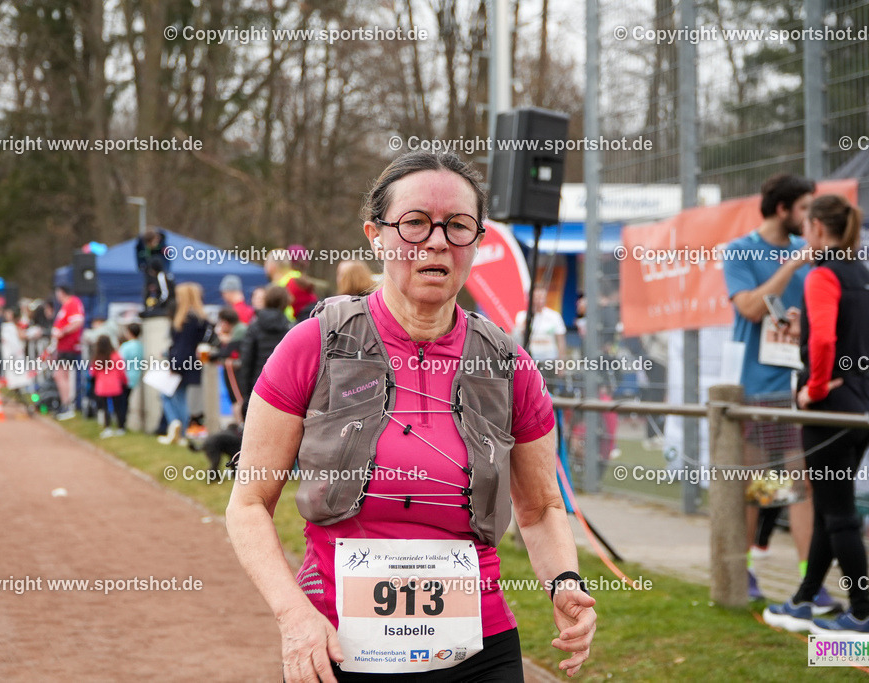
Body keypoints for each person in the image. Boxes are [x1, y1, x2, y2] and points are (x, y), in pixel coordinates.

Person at [226, 151, 596, 682]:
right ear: (376, 236)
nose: (437, 241)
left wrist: (564, 582)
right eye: (415, 223)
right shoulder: (313, 346)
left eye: (458, 226)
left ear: (477, 240)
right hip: (335, 646)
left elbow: (539, 509)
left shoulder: (508, 365)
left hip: (478, 653)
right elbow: (248, 504)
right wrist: (293, 617)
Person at [763, 195, 869, 634]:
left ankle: (862, 614)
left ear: (816, 228)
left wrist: (811, 391)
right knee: (830, 509)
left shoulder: (823, 274)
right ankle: (803, 599)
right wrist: (804, 331)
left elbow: (827, 343)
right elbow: (847, 338)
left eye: (806, 228)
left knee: (839, 515)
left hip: (829, 409)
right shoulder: (865, 276)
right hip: (861, 404)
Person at [722, 173, 822, 605]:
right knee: (754, 486)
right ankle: (743, 572)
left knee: (801, 485)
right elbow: (748, 306)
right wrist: (793, 265)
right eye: (803, 208)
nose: (810, 217)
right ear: (783, 210)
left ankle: (809, 581)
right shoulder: (740, 250)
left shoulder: (811, 252)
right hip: (755, 389)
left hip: (799, 387)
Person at [158, 283, 208, 446]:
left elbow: (182, 347)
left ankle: (176, 425)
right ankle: (182, 430)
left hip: (181, 363)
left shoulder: (185, 319)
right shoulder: (200, 318)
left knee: (168, 395)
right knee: (181, 397)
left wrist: (174, 364)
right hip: (192, 363)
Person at [236, 286, 291, 419]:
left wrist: (245, 394)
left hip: (258, 384)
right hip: (283, 387)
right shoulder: (291, 327)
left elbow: (246, 360)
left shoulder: (254, 327)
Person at [51, 285, 85, 420]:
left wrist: (62, 332)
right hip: (63, 347)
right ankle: (66, 404)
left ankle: (67, 405)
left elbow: (78, 322)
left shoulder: (72, 303)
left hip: (69, 347)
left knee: (61, 375)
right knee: (61, 375)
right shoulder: (67, 305)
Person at [90, 334, 129, 438]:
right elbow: (121, 371)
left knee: (105, 408)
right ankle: (120, 428)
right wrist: (125, 381)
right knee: (118, 408)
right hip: (115, 386)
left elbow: (93, 372)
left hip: (102, 387)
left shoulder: (97, 358)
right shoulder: (116, 356)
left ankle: (108, 428)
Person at [119, 323, 144, 431]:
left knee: (122, 402)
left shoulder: (126, 346)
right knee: (126, 400)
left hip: (124, 377)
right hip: (135, 376)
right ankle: (124, 423)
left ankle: (122, 424)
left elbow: (119, 361)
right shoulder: (140, 346)